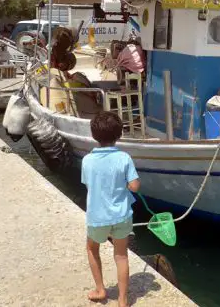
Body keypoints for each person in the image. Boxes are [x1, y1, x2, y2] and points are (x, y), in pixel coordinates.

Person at [81, 112, 140, 307]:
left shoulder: (87, 160)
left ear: (94, 135)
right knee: (121, 255)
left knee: (92, 248)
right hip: (121, 216)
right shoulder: (124, 157)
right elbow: (134, 186)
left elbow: (88, 184)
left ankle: (100, 289)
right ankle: (123, 299)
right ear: (119, 134)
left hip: (98, 217)